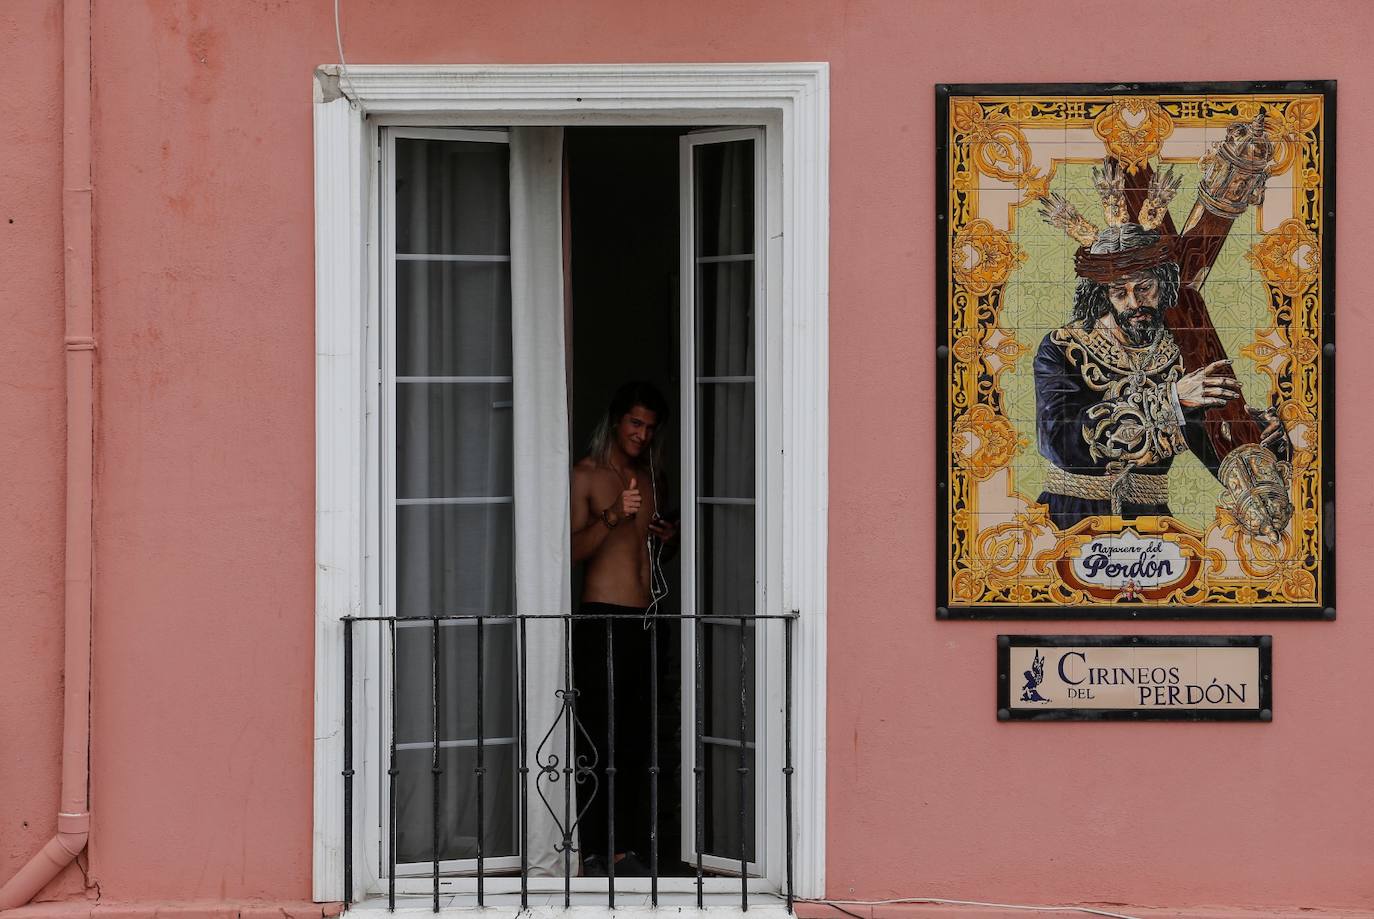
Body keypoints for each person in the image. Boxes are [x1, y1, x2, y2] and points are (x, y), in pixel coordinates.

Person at [1033, 164, 1286, 530]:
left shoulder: (1182, 349)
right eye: (1120, 293)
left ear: (1162, 285)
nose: (1135, 303)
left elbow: (1211, 443)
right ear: (1102, 297)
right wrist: (1171, 401)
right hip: (1070, 517)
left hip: (1152, 524)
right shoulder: (1063, 347)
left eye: (1144, 288)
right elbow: (1061, 441)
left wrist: (1259, 439)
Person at [569, 381, 677, 876]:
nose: (642, 434)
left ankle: (628, 845)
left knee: (639, 736)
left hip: (644, 616)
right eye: (636, 423)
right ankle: (595, 848)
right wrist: (613, 516)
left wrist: (666, 538)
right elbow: (568, 552)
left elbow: (650, 555)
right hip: (600, 616)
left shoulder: (650, 477)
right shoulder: (587, 476)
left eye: (650, 427)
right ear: (616, 420)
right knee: (599, 735)